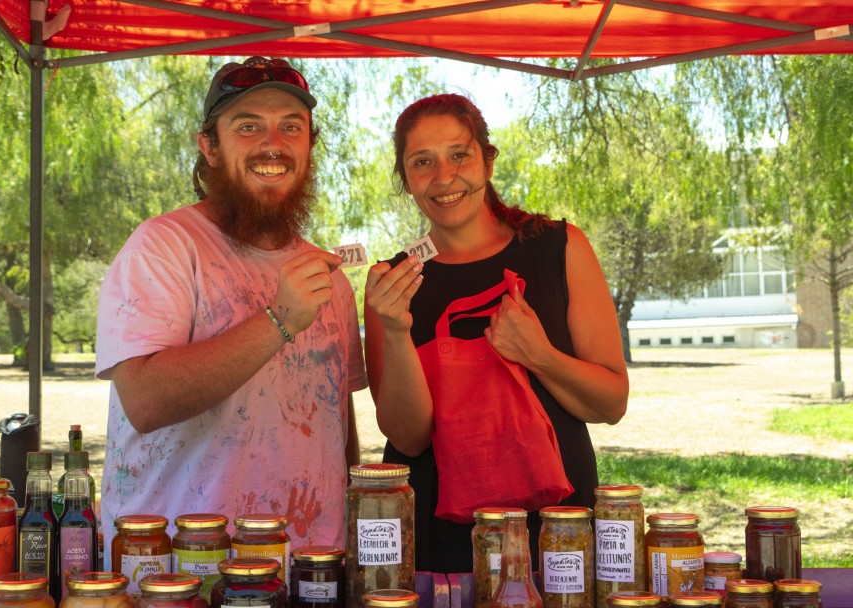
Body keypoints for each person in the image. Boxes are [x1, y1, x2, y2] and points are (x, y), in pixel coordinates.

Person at [95, 57, 367, 567]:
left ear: (310, 144)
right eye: (248, 127)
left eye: (292, 127)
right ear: (210, 147)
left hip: (310, 572)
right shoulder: (163, 247)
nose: (274, 143)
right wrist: (279, 320)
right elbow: (145, 399)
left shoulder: (328, 276)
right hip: (181, 573)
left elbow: (336, 421)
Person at [363, 93, 628, 573]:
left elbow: (610, 404)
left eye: (459, 154)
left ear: (488, 159)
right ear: (405, 179)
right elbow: (409, 436)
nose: (444, 177)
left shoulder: (560, 247)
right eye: (423, 162)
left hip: (557, 526)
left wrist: (539, 354)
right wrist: (397, 331)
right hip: (442, 537)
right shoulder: (391, 282)